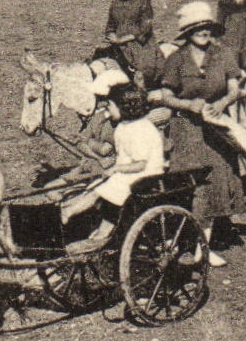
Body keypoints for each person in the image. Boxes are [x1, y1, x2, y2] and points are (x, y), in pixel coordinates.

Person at [151, 2, 245, 267]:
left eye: (206, 28)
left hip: (215, 128)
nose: (203, 33)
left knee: (216, 180)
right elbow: (166, 96)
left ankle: (205, 247)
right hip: (186, 130)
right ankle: (184, 240)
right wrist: (187, 104)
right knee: (190, 184)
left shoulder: (223, 54)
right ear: (188, 33)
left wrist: (223, 103)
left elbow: (235, 88)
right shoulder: (176, 60)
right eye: (197, 29)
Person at [59, 81, 166, 246]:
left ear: (124, 107)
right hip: (129, 173)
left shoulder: (141, 129)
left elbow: (140, 164)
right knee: (97, 186)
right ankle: (101, 233)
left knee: (99, 191)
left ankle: (68, 211)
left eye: (110, 106)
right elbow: (125, 158)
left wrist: (115, 168)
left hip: (145, 175)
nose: (107, 110)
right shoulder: (124, 127)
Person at [101, 0, 159, 87]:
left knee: (144, 70)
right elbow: (110, 25)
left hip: (139, 45)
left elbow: (144, 28)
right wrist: (111, 35)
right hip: (117, 45)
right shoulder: (115, 4)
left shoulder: (143, 2)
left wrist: (122, 39)